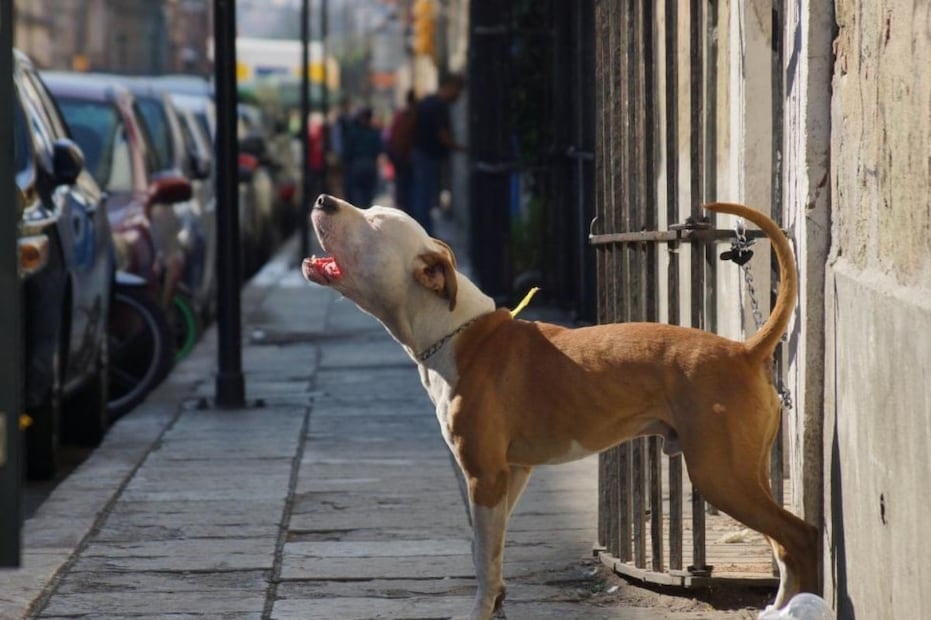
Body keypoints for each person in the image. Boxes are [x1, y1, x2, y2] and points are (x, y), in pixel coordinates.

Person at [410, 74, 466, 235]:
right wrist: (460, 148)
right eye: (458, 91)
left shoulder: (428, 102)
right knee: (425, 197)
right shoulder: (437, 106)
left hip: (422, 154)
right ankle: (423, 233)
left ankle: (422, 232)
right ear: (451, 86)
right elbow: (443, 136)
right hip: (427, 156)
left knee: (423, 196)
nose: (457, 96)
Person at [342, 107, 384, 208]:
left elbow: (347, 152)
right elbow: (379, 150)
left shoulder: (353, 132)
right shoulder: (374, 133)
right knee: (367, 197)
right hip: (369, 166)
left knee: (357, 197)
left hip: (356, 166)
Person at [386, 89, 417, 213]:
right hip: (403, 155)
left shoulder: (402, 115)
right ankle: (404, 208)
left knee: (402, 184)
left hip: (399, 154)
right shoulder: (409, 115)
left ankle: (403, 207)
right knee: (405, 185)